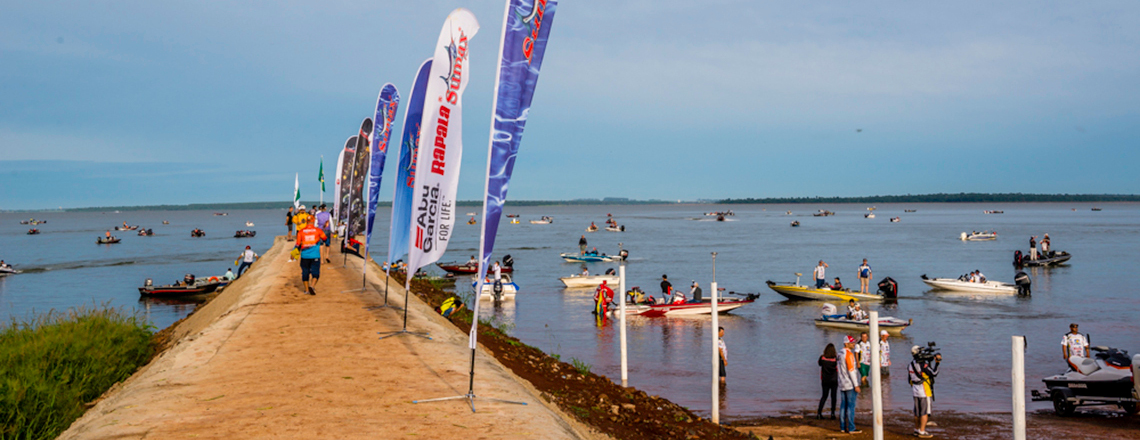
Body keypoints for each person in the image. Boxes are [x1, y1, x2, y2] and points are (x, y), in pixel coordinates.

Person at [908, 346, 941, 438]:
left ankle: (916, 429)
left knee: (917, 412)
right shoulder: (923, 365)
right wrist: (937, 363)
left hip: (915, 390)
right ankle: (922, 431)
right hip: (924, 391)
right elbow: (934, 373)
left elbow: (909, 380)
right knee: (924, 412)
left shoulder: (911, 364)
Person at [295, 219, 327, 295]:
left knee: (305, 273)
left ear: (306, 222)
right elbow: (325, 238)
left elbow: (297, 244)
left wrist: (293, 254)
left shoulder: (301, 231)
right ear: (313, 221)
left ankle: (306, 290)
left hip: (304, 256)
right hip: (315, 255)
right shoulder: (318, 230)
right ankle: (312, 286)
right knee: (315, 272)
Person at [838, 335, 861, 434]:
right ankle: (851, 427)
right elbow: (851, 370)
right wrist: (856, 385)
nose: (854, 344)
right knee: (851, 406)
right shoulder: (848, 354)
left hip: (842, 382)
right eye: (852, 343)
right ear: (846, 343)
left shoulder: (839, 353)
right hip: (849, 383)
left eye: (854, 342)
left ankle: (843, 427)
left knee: (843, 406)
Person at [818, 343, 839, 420]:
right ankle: (832, 413)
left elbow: (819, 364)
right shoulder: (835, 359)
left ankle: (819, 413)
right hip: (834, 380)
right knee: (833, 397)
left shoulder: (822, 358)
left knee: (824, 396)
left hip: (825, 380)